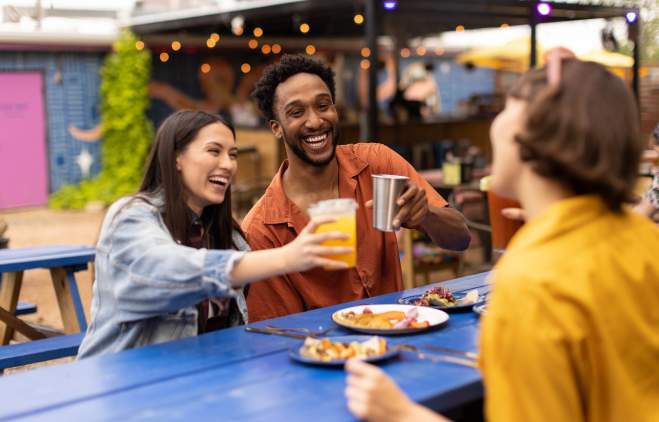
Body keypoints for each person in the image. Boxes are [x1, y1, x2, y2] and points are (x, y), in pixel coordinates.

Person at [344, 53, 659, 421]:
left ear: (531, 136)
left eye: (507, 108)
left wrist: (401, 414)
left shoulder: (532, 282)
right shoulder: (642, 237)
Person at [77, 110, 351, 358]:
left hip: (199, 384)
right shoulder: (131, 217)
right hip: (121, 392)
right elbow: (169, 268)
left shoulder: (227, 235)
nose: (228, 164)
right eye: (214, 151)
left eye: (232, 154)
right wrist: (287, 257)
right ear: (176, 158)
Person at [243, 54, 470, 322]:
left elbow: (460, 238)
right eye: (296, 112)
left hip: (398, 339)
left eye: (323, 105)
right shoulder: (261, 230)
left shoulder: (377, 162)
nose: (315, 121)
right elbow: (278, 333)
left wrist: (427, 215)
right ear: (276, 128)